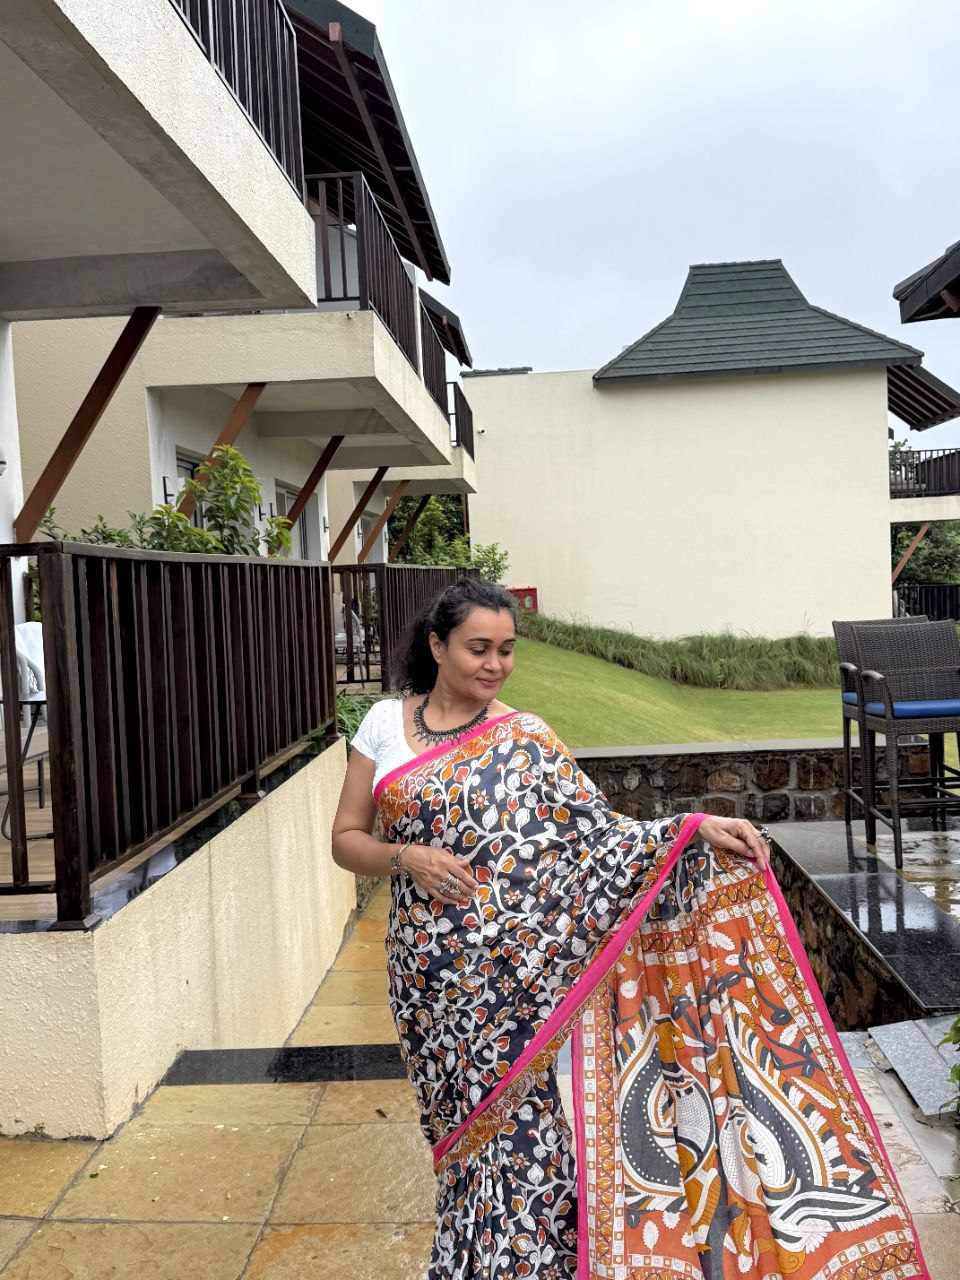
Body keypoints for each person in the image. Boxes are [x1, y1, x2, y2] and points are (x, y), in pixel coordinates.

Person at [332, 578, 929, 1280]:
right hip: (428, 977)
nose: (495, 665)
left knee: (523, 1130)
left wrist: (691, 830)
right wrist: (406, 857)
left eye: (507, 650)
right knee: (458, 1135)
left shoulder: (526, 739)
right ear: (437, 646)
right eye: (478, 648)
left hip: (512, 978)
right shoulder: (383, 724)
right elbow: (347, 839)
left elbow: (598, 839)